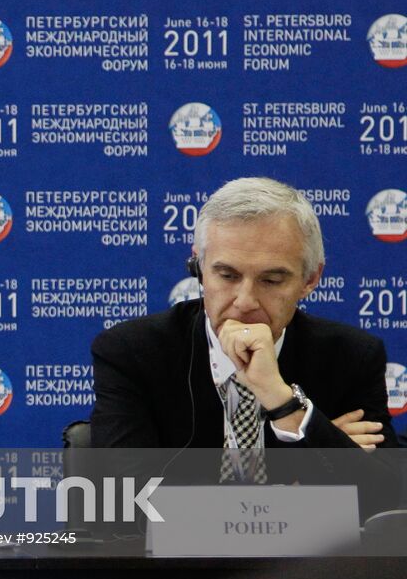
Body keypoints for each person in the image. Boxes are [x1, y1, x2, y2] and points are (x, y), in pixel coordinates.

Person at [91, 177, 398, 492]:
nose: (245, 301)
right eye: (227, 275)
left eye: (272, 280)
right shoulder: (133, 352)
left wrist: (281, 399)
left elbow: (386, 498)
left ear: (310, 278)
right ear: (198, 266)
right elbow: (126, 495)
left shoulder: (351, 356)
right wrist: (315, 459)